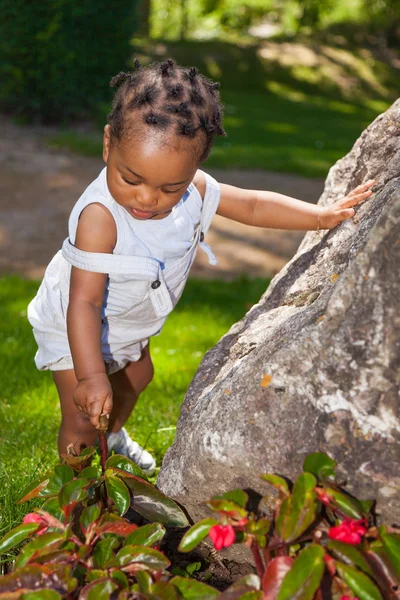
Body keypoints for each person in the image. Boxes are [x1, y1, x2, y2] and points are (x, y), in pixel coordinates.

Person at [27, 59, 374, 475]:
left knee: (138, 377)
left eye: (169, 187)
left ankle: (114, 438)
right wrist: (89, 376)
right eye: (131, 178)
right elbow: (83, 303)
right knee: (83, 414)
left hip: (126, 322)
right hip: (74, 326)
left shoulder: (194, 190)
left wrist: (320, 216)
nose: (146, 198)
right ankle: (76, 499)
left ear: (192, 172)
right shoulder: (100, 218)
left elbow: (252, 204)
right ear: (108, 146)